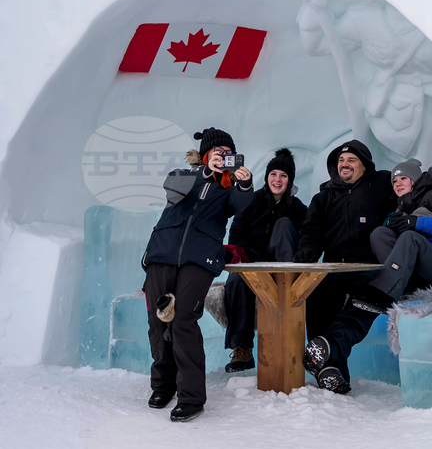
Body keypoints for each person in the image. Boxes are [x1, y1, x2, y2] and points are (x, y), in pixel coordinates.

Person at [303, 158, 432, 394]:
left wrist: (417, 223)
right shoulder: (401, 207)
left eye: (403, 178)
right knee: (379, 234)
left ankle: (383, 287)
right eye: (395, 180)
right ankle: (330, 347)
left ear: (415, 179)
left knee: (408, 240)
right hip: (413, 276)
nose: (398, 183)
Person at [142, 128, 253, 422]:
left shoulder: (228, 190)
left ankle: (191, 397)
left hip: (201, 258)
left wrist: (245, 185)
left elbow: (240, 205)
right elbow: (173, 191)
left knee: (183, 321)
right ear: (205, 155)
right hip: (161, 253)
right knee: (157, 320)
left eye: (228, 154)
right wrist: (204, 171)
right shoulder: (184, 176)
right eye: (218, 152)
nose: (223, 157)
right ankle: (163, 386)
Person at [293, 140, 396, 389]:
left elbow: (409, 189)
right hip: (333, 267)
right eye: (341, 160)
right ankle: (329, 368)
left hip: (368, 269)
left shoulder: (381, 186)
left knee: (365, 306)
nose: (344, 164)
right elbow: (311, 233)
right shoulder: (323, 197)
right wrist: (307, 250)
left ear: (364, 165)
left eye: (351, 160)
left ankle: (326, 348)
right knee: (316, 298)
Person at [223, 148, 308, 373]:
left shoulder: (298, 208)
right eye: (274, 174)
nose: (277, 180)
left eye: (283, 175)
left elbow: (310, 235)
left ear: (289, 180)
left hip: (284, 269)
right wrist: (251, 260)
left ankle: (288, 340)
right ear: (267, 176)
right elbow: (236, 237)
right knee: (235, 279)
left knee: (283, 225)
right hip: (253, 264)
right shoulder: (251, 202)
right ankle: (242, 348)